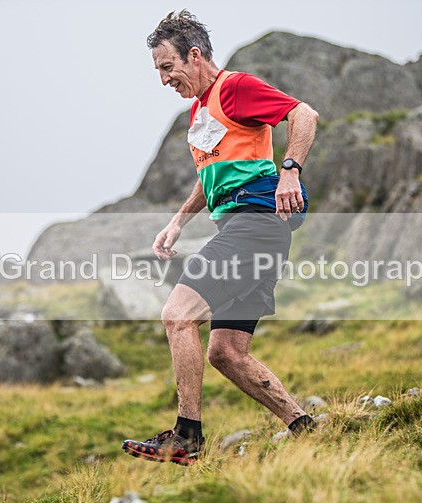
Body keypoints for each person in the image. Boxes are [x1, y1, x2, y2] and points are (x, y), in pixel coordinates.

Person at [122, 10, 319, 465]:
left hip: (256, 225)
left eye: (167, 67)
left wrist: (290, 170)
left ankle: (187, 436)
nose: (164, 79)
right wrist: (178, 221)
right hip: (245, 229)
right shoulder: (200, 110)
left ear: (194, 56)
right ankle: (305, 428)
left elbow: (303, 114)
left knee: (177, 315)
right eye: (158, 71)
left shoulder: (235, 87)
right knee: (227, 352)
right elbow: (212, 174)